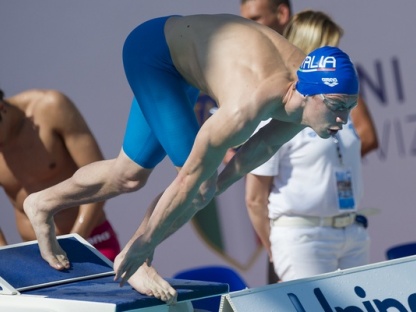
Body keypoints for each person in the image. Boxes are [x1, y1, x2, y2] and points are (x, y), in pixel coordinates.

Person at [23, 14, 359, 304]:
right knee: (196, 187)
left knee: (127, 175)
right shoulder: (245, 108)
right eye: (338, 108)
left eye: (349, 108)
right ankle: (137, 258)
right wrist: (143, 245)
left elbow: (265, 147)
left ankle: (41, 203)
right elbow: (190, 181)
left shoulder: (303, 92)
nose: (343, 120)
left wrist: (220, 185)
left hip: (178, 54)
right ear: (311, 95)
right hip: (153, 55)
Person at [245, 10, 378, 283]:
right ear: (309, 52)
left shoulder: (343, 105)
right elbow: (255, 198)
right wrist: (277, 251)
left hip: (351, 232)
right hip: (302, 239)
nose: (341, 57)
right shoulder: (276, 111)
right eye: (332, 48)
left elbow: (366, 138)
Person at [0, 88, 121, 261]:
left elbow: (101, 179)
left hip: (90, 239)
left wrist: (76, 241)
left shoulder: (50, 108)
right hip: (37, 253)